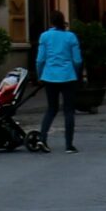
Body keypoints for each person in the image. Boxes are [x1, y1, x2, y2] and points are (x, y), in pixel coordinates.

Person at [33, 11, 82, 153]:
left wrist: (39, 75)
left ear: (51, 22)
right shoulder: (70, 37)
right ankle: (69, 145)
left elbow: (40, 59)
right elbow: (77, 60)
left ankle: (42, 139)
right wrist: (75, 71)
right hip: (68, 76)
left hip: (49, 76)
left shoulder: (45, 36)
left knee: (51, 109)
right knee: (68, 111)